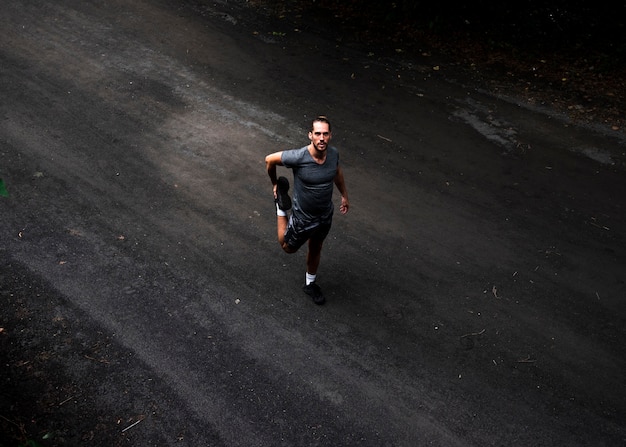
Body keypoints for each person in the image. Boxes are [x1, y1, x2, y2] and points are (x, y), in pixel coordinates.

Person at [265, 116, 349, 305]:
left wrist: (344, 195)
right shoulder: (298, 157)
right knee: (287, 248)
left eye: (325, 134)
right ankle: (280, 207)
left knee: (316, 246)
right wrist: (274, 185)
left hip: (325, 214)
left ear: (330, 136)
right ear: (310, 135)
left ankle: (310, 284)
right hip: (303, 217)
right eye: (317, 133)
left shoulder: (333, 154)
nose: (321, 138)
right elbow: (269, 160)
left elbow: (337, 172)